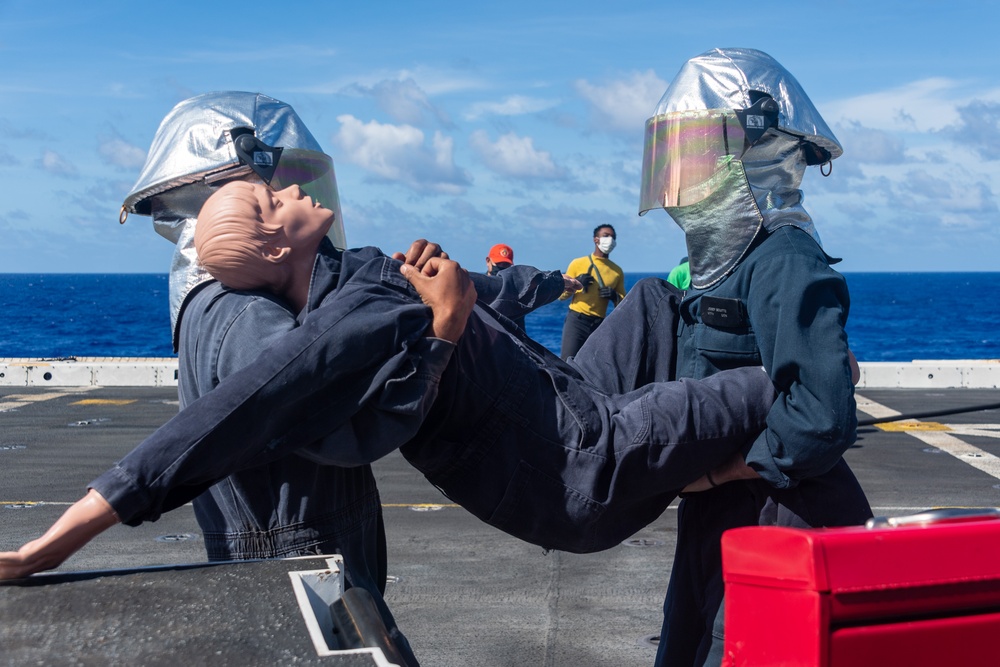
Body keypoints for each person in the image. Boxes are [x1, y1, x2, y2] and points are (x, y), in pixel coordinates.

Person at [0, 180, 779, 590]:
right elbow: (207, 428)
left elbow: (494, 289)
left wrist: (540, 286)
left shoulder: (376, 268)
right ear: (274, 248)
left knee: (649, 302)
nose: (293, 190)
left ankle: (713, 465)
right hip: (578, 467)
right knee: (780, 388)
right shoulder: (340, 324)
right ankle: (769, 426)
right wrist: (51, 544)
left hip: (577, 398)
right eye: (273, 202)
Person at [120, 91, 429, 663]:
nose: (297, 194)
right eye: (278, 183)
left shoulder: (213, 293)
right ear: (229, 181)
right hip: (303, 565)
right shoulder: (243, 309)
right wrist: (436, 343)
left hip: (296, 552)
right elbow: (329, 430)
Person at [629, 47, 873, 666]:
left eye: (696, 152)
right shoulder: (718, 267)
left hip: (782, 521)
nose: (681, 174)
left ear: (752, 151)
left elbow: (821, 416)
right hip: (718, 521)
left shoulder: (783, 256)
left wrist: (712, 473)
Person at [559, 225, 627, 360]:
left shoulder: (616, 271)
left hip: (599, 324)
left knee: (593, 366)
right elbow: (561, 296)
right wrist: (576, 282)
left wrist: (614, 296)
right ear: (596, 240)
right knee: (567, 362)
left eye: (613, 237)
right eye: (606, 236)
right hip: (577, 321)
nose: (610, 240)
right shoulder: (578, 263)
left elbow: (624, 303)